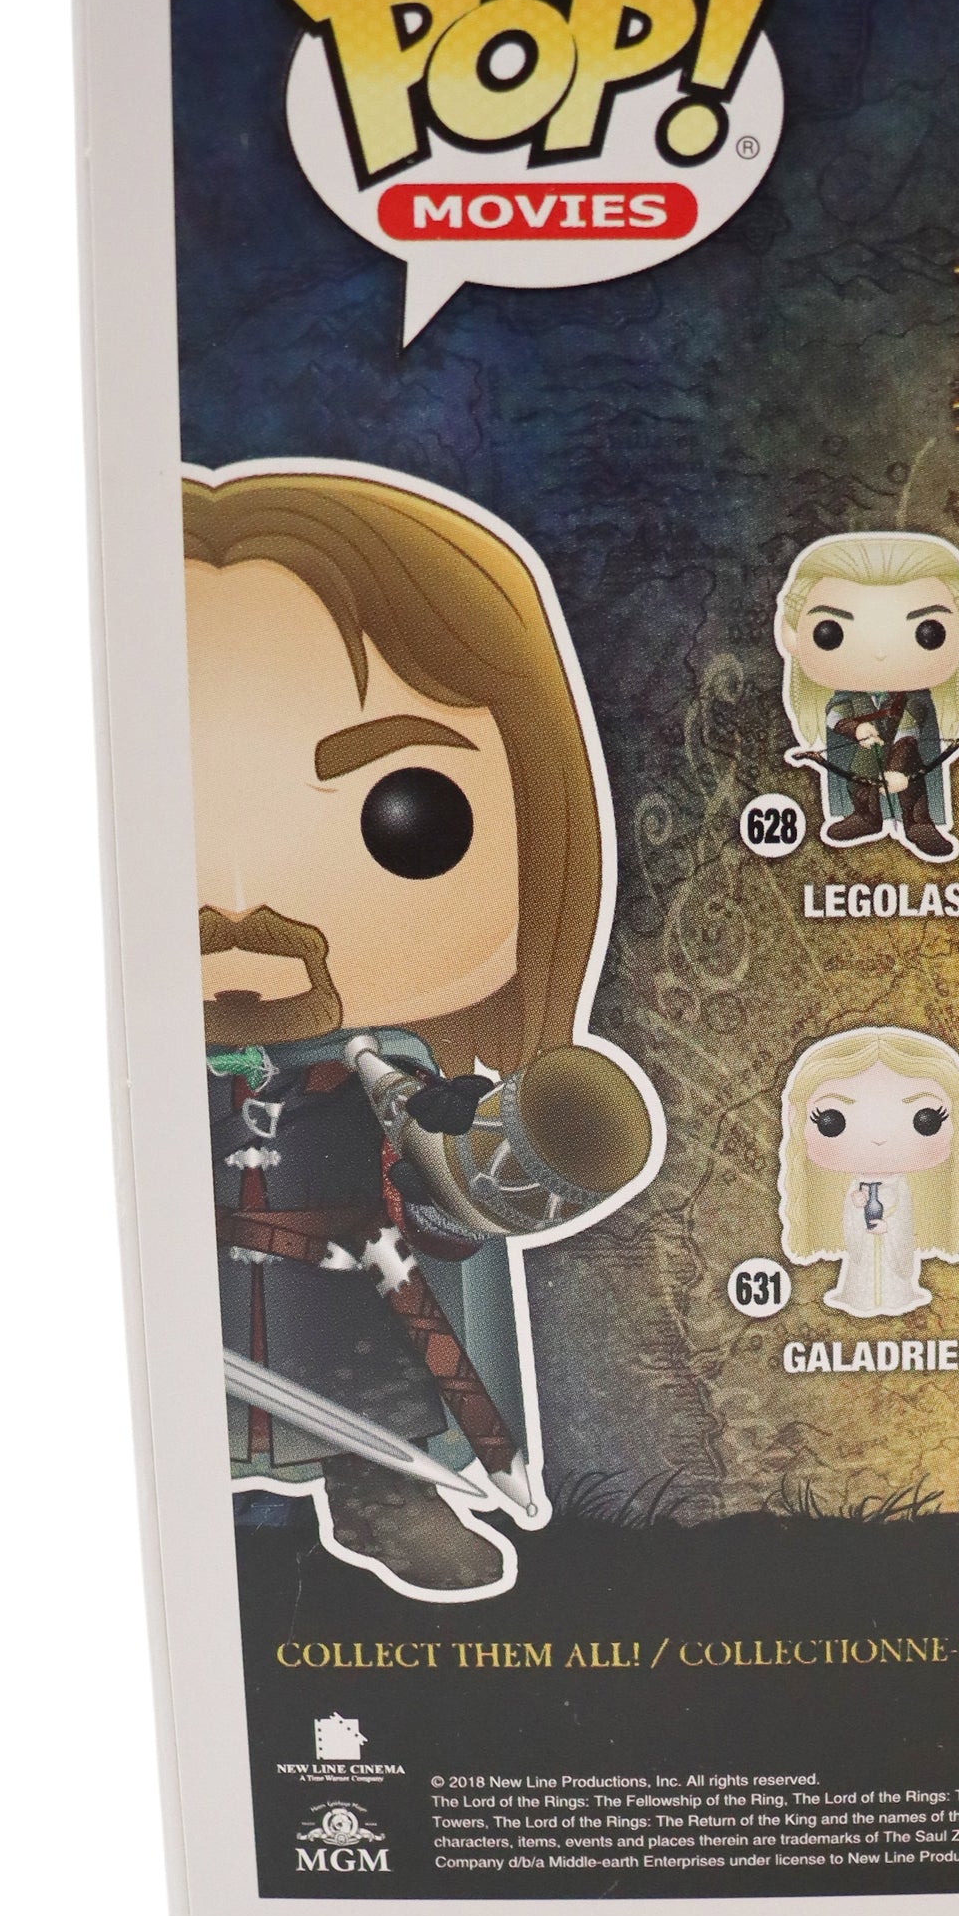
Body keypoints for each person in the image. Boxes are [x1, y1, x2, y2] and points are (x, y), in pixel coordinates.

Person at [187, 462, 661, 1598]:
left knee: (371, 1372)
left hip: (349, 1285)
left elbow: (466, 1199)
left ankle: (380, 1487)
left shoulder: (386, 1069)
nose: (243, 903)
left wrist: (467, 1151)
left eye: (412, 816)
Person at [774, 532, 959, 862]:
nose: (880, 652)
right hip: (864, 750)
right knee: (858, 780)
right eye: (829, 633)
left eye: (928, 632)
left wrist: (899, 769)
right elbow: (835, 713)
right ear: (791, 635)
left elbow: (909, 730)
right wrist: (854, 729)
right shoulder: (846, 695)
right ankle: (866, 816)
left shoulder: (916, 699)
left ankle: (919, 823)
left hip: (905, 755)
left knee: (913, 785)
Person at [778, 1027, 959, 1318]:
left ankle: (899, 1297)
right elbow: (850, 1226)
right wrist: (855, 1208)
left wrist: (889, 1228)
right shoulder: (854, 1186)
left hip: (892, 1255)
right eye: (831, 1121)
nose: (879, 1138)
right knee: (860, 1275)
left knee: (892, 1281)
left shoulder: (901, 1187)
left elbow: (905, 1221)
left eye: (927, 1120)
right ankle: (857, 1297)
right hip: (862, 1257)